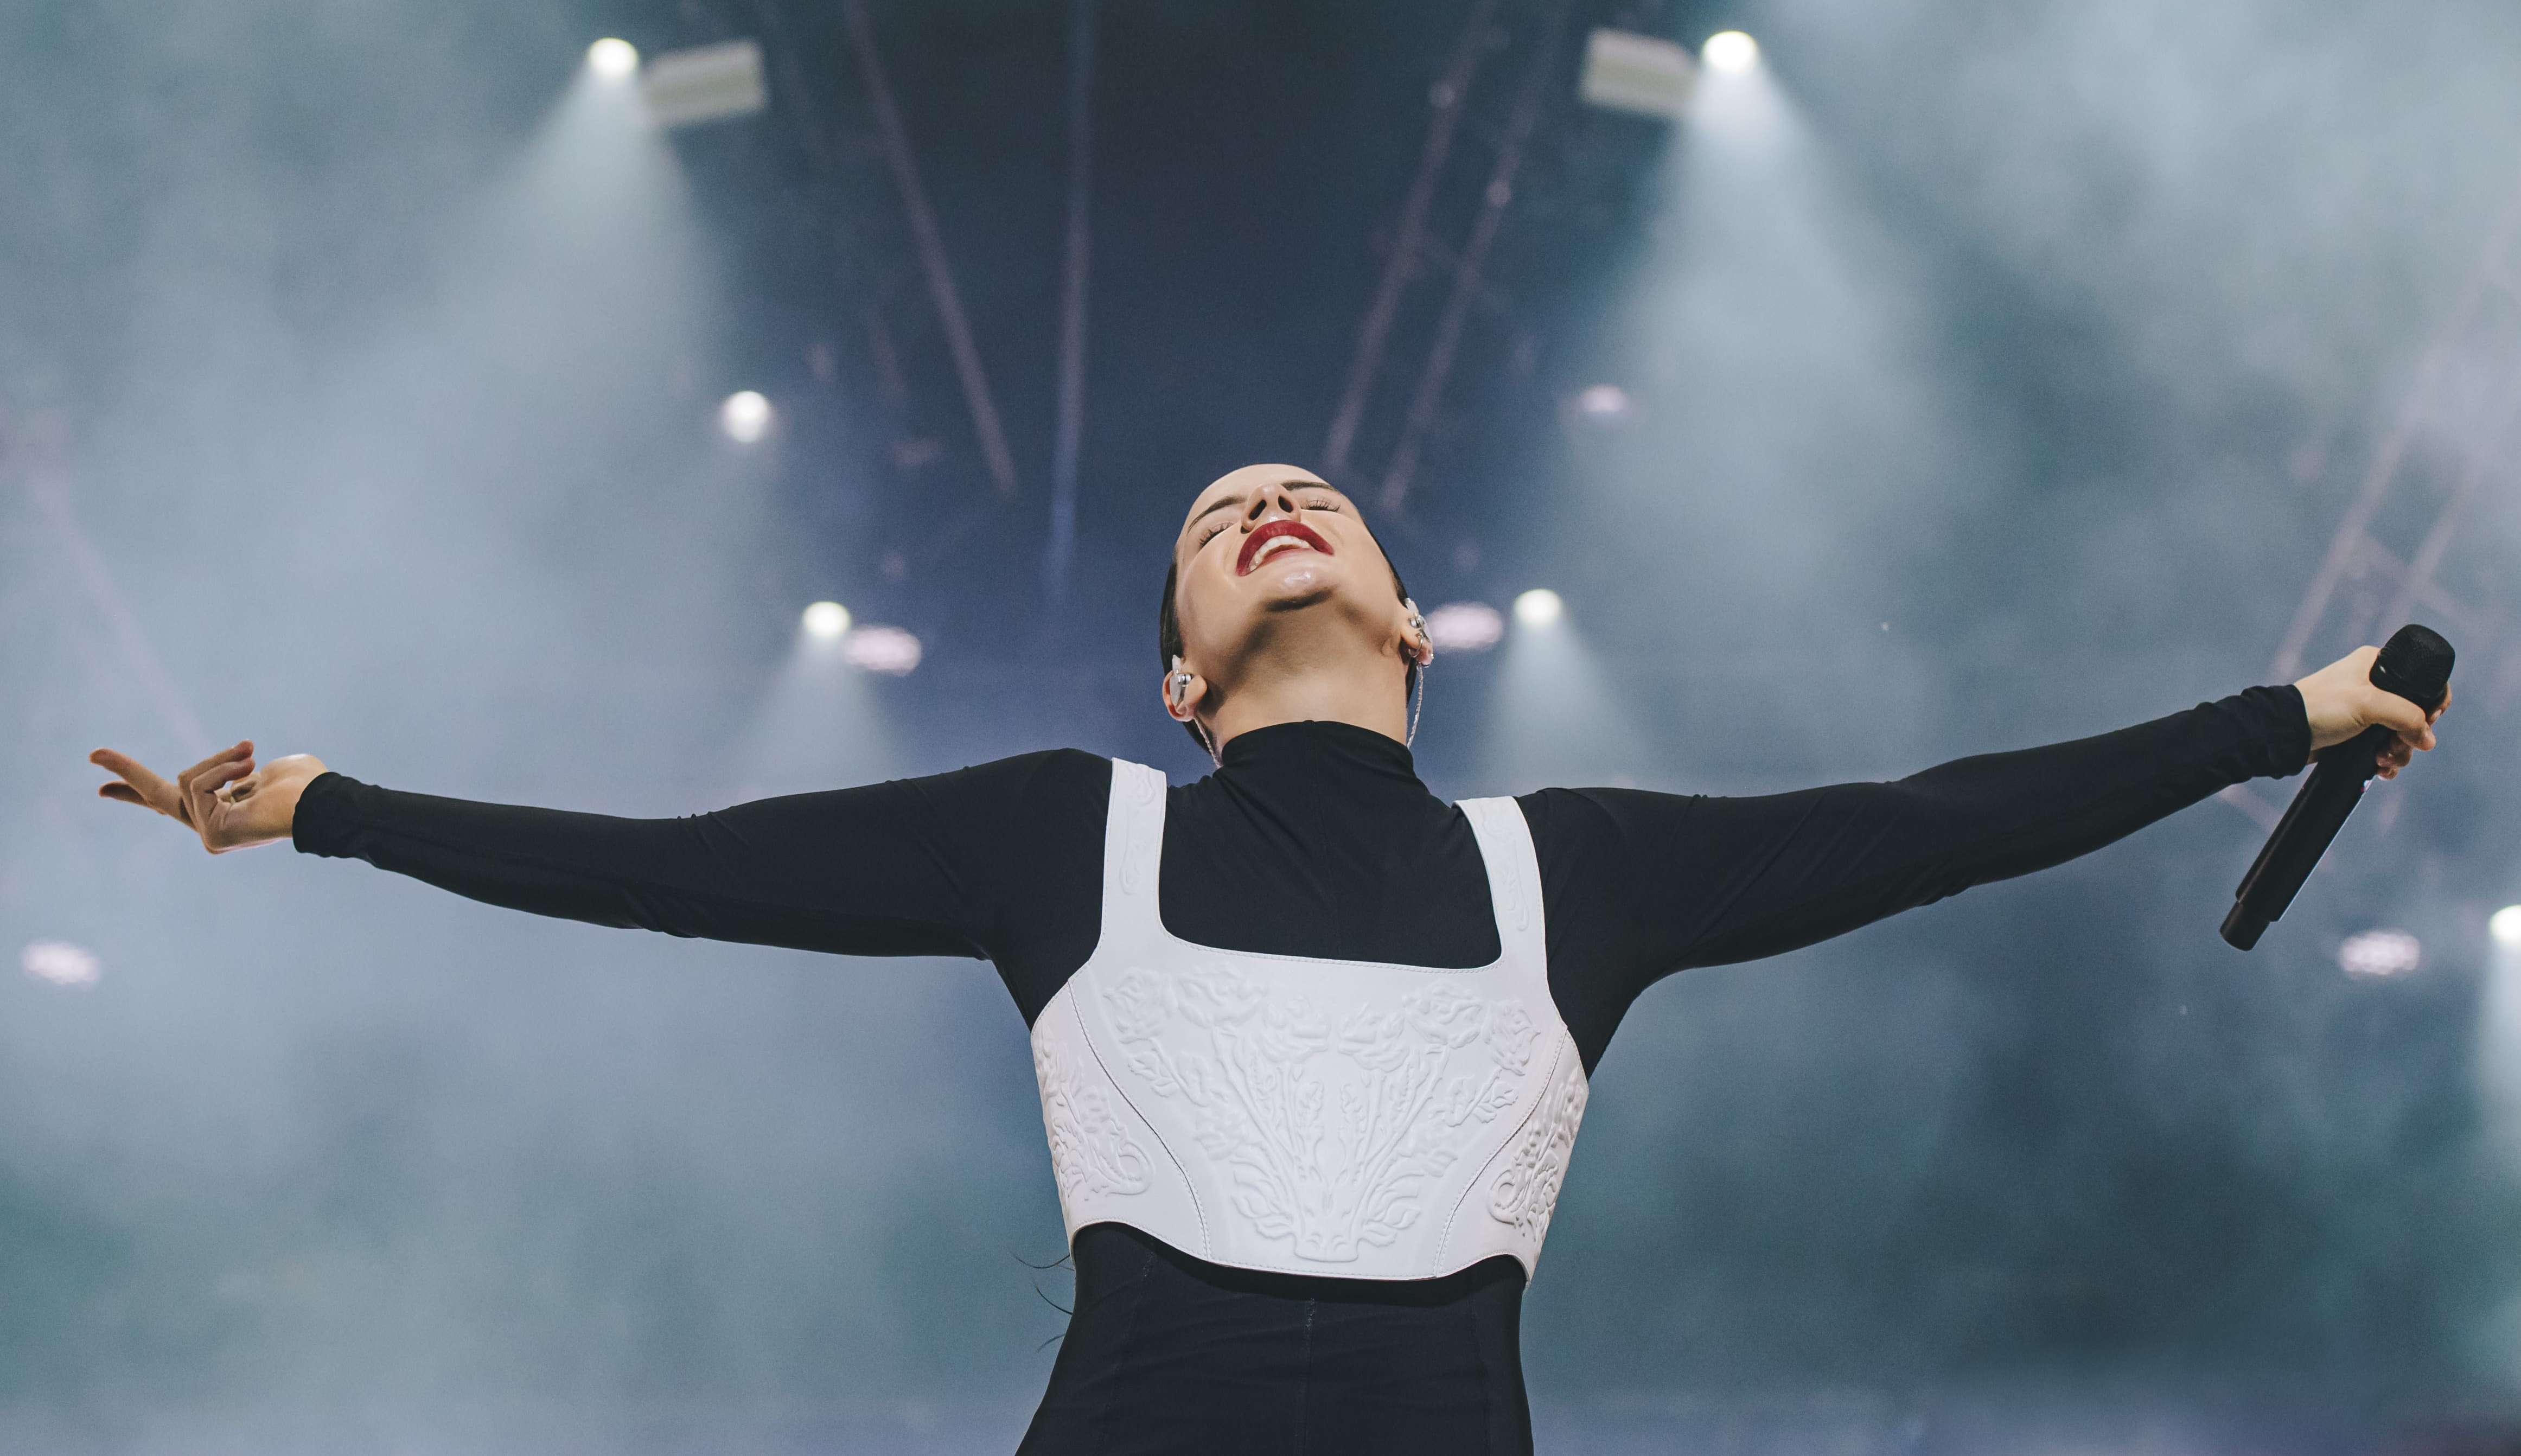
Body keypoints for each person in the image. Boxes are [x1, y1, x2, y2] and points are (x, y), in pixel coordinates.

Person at [93, 463, 2447, 1455]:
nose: (1264, 505)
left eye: (1306, 500)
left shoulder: (1581, 870)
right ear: (1184, 678)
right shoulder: (1064, 834)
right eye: (1217, 527)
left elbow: (1944, 820)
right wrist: (328, 807)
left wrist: (2292, 714)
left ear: (1416, 615)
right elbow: (675, 865)